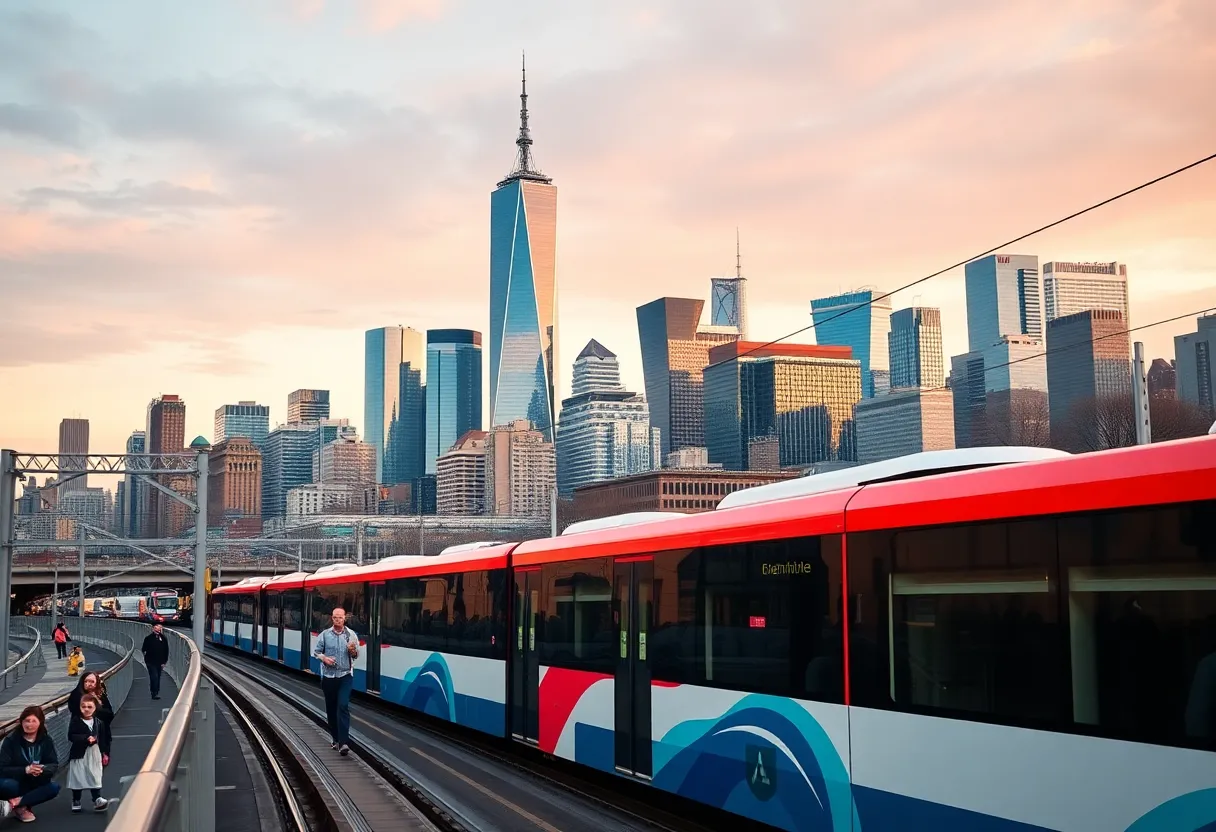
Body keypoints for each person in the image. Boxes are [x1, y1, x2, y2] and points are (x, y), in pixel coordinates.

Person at [0, 705, 61, 821]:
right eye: (27, 720)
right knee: (10, 786)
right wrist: (25, 770)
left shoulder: (46, 740)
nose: (29, 724)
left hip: (34, 781)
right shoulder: (11, 741)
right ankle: (22, 807)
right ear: (21, 722)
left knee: (54, 788)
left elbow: (53, 764)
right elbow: (2, 768)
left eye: (34, 721)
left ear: (40, 723)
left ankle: (15, 803)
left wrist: (42, 769)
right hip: (14, 780)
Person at [312, 607, 358, 756]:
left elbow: (356, 655)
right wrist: (324, 658)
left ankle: (344, 743)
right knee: (331, 710)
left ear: (345, 618)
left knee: (343, 705)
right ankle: (336, 738)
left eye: (340, 617)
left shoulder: (351, 635)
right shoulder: (325, 635)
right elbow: (316, 652)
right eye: (335, 617)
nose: (338, 620)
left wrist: (353, 651)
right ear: (332, 619)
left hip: (345, 676)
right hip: (329, 677)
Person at [67, 694, 110, 813]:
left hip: (94, 752)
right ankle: (76, 799)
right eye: (83, 706)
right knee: (77, 775)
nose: (86, 709)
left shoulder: (99, 723)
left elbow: (103, 739)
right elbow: (71, 736)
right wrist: (85, 738)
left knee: (95, 774)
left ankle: (96, 798)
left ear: (95, 708)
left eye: (89, 707)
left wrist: (104, 753)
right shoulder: (76, 721)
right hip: (79, 753)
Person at [141, 623, 170, 700]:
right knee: (154, 677)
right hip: (150, 662)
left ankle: (156, 691)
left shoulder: (163, 638)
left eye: (160, 628)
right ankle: (154, 693)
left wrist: (164, 662)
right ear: (153, 629)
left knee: (158, 677)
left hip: (160, 662)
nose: (158, 630)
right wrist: (146, 657)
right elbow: (143, 649)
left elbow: (166, 650)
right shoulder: (148, 638)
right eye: (156, 628)